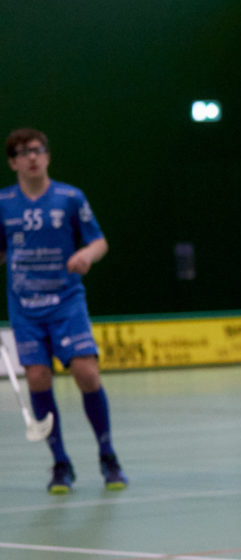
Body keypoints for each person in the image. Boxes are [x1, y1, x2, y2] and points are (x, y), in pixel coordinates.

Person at [1, 128, 126, 493]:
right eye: (23, 153)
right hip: (25, 307)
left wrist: (86, 254)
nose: (32, 157)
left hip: (66, 302)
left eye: (37, 150)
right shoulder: (4, 203)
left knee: (87, 373)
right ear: (13, 162)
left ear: (47, 155)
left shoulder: (70, 198)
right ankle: (60, 464)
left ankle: (108, 455)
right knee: (38, 378)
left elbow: (99, 241)